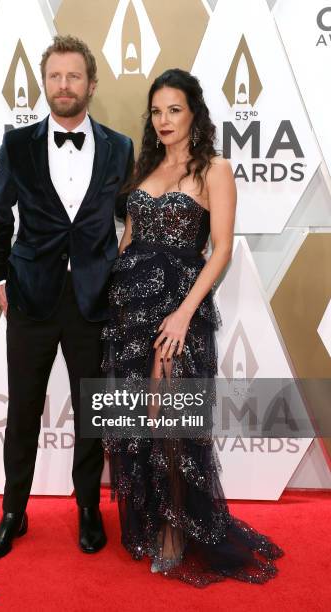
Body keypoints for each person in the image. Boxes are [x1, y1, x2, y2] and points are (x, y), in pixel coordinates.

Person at [101, 68, 284, 586]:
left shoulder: (215, 170)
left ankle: (177, 531)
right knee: (136, 425)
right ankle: (154, 520)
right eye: (156, 111)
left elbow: (220, 249)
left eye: (173, 110)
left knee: (171, 426)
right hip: (129, 307)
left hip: (177, 311)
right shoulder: (146, 168)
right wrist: (109, 302)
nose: (163, 120)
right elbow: (129, 239)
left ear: (194, 113)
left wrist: (183, 312)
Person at [0, 35, 134, 561]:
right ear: (44, 83)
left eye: (73, 76)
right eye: (54, 76)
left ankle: (88, 508)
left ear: (91, 84)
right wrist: (0, 279)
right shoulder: (16, 144)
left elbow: (126, 220)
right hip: (30, 299)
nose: (63, 85)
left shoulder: (120, 146)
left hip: (94, 299)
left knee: (93, 411)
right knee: (23, 411)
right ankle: (13, 511)